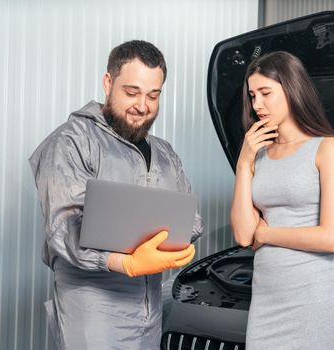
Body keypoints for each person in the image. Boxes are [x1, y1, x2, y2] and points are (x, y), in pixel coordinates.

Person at [29, 40, 203, 349]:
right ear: (108, 83)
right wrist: (124, 263)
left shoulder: (165, 153)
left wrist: (178, 241)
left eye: (153, 95)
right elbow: (63, 228)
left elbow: (191, 219)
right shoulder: (71, 142)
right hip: (93, 311)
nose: (142, 106)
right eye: (132, 92)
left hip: (150, 309)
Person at [230, 51, 334, 349]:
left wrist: (267, 233)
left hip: (314, 300)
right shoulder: (257, 154)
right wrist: (244, 163)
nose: (257, 104)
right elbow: (244, 235)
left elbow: (331, 239)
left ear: (291, 88)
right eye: (252, 95)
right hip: (266, 301)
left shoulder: (327, 148)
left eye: (265, 93)